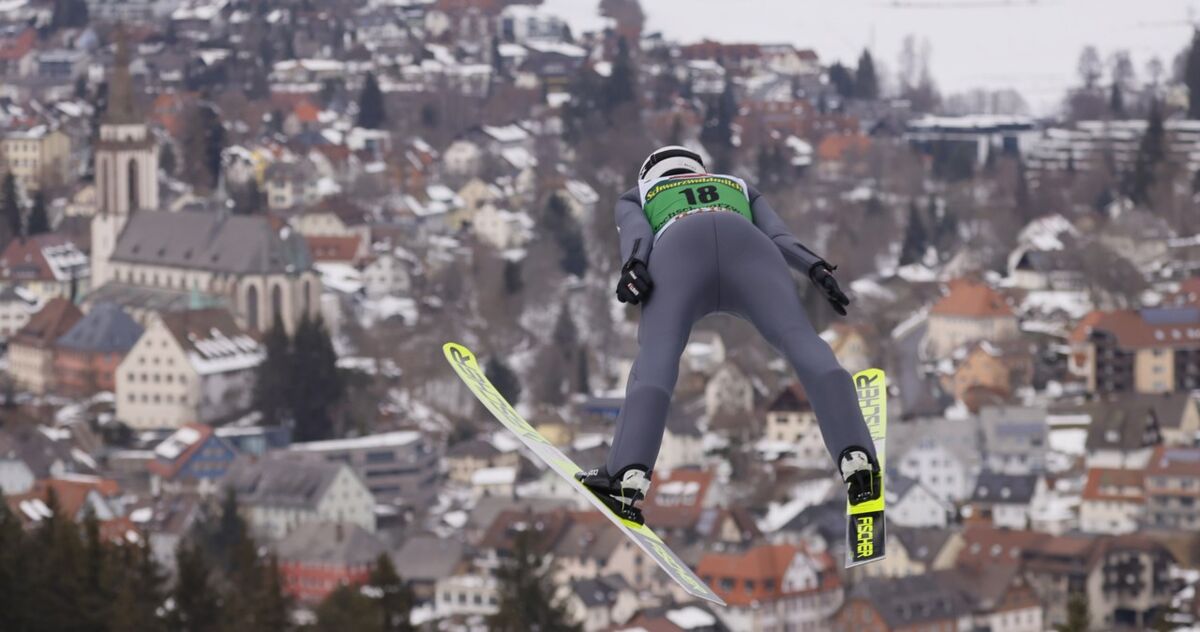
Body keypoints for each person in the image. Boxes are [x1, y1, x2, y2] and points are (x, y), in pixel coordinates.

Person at [576, 146, 881, 524]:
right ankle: (856, 458)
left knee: (658, 356)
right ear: (700, 170)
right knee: (802, 341)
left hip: (679, 249)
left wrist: (633, 266)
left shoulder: (637, 195)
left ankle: (627, 476)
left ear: (649, 175)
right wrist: (816, 268)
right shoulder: (738, 185)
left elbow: (638, 234)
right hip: (751, 250)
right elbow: (779, 235)